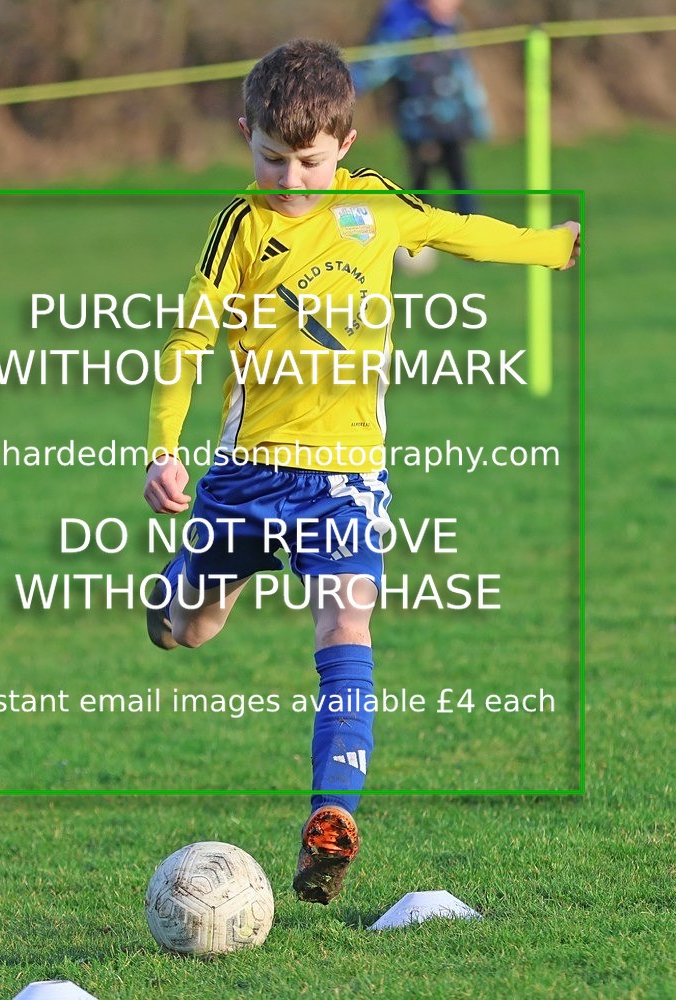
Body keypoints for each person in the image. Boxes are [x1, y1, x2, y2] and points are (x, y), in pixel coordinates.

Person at [142, 39, 579, 905]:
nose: (292, 181)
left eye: (308, 162)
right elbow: (188, 340)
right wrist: (163, 448)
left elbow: (460, 231)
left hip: (345, 480)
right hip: (244, 474)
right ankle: (178, 589)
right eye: (272, 160)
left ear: (343, 142)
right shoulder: (239, 227)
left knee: (346, 632)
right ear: (246, 136)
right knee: (186, 631)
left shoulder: (375, 205)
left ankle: (329, 822)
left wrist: (550, 247)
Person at [351, 0, 491, 216]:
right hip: (419, 125)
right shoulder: (404, 26)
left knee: (461, 181)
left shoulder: (453, 28)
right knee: (421, 184)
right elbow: (377, 64)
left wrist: (479, 117)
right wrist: (347, 86)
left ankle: (474, 234)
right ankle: (418, 243)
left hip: (452, 124)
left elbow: (465, 76)